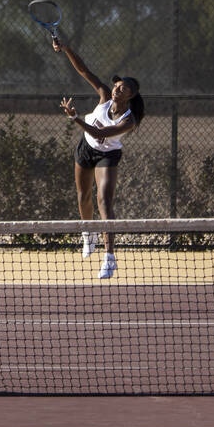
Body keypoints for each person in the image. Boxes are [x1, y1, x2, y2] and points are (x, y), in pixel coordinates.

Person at [52, 36, 144, 278]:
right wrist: (66, 48)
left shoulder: (129, 121)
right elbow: (84, 70)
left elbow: (100, 132)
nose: (116, 88)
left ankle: (109, 257)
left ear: (130, 96)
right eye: (117, 85)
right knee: (83, 198)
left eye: (123, 88)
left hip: (107, 155)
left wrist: (75, 118)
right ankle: (87, 235)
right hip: (86, 148)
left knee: (104, 201)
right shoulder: (105, 96)